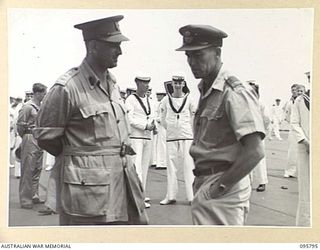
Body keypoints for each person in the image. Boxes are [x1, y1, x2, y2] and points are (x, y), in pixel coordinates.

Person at [34, 15, 148, 225]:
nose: (120, 52)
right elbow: (46, 137)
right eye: (114, 45)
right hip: (88, 194)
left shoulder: (112, 83)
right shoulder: (67, 88)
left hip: (122, 186)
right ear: (94, 46)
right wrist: (83, 157)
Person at [176, 24, 265, 225]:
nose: (192, 62)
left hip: (222, 187)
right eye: (188, 56)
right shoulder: (207, 88)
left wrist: (219, 188)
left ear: (217, 53)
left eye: (198, 55)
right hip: (206, 183)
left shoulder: (233, 92)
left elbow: (255, 151)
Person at [159, 75, 196, 205]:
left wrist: (189, 130)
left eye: (180, 83)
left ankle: (192, 197)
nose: (178, 85)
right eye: (175, 83)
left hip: (186, 136)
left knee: (188, 166)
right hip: (172, 136)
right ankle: (171, 196)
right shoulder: (165, 100)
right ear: (172, 83)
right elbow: (162, 118)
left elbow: (194, 116)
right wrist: (170, 128)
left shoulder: (190, 99)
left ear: (183, 84)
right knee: (171, 167)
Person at [125, 75, 157, 208]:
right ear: (137, 83)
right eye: (144, 83)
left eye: (148, 82)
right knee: (136, 168)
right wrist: (145, 125)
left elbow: (152, 115)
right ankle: (136, 199)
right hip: (136, 138)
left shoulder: (149, 99)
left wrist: (152, 125)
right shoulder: (131, 99)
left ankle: (141, 194)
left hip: (147, 137)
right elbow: (130, 119)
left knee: (144, 168)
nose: (147, 85)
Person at [17, 83, 47, 209]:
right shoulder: (27, 107)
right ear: (37, 93)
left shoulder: (40, 106)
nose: (45, 95)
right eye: (44, 93)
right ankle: (25, 199)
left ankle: (34, 195)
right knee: (28, 169)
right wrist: (26, 137)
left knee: (37, 168)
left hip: (39, 138)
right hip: (29, 137)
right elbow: (20, 125)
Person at [291, 84, 310, 227]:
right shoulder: (300, 100)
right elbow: (294, 122)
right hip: (306, 148)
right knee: (307, 192)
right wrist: (305, 141)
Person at [248, 82, 270, 192]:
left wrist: (263, 132)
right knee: (246, 158)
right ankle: (248, 181)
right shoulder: (243, 103)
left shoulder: (260, 104)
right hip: (245, 134)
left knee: (260, 159)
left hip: (258, 134)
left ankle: (262, 182)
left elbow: (266, 119)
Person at [283, 84, 299, 178]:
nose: (293, 91)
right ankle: (289, 171)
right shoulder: (289, 103)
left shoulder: (303, 101)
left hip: (304, 128)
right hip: (293, 129)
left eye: (295, 90)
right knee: (292, 151)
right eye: (292, 90)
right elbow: (287, 115)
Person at [155, 92, 167, 170]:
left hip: (163, 126)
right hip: (160, 126)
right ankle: (160, 162)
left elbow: (165, 115)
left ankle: (163, 163)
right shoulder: (160, 103)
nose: (157, 96)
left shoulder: (164, 102)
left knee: (163, 144)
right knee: (159, 144)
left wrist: (158, 119)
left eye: (159, 95)